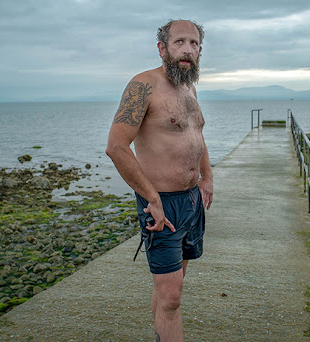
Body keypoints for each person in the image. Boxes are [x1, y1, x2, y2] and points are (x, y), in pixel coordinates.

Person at [106, 19, 213, 341]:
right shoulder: (143, 85)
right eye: (179, 42)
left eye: (194, 44)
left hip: (191, 199)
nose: (188, 50)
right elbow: (116, 147)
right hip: (161, 204)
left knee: (172, 286)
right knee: (172, 296)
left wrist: (207, 176)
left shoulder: (188, 88)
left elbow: (197, 135)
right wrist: (151, 198)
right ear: (162, 47)